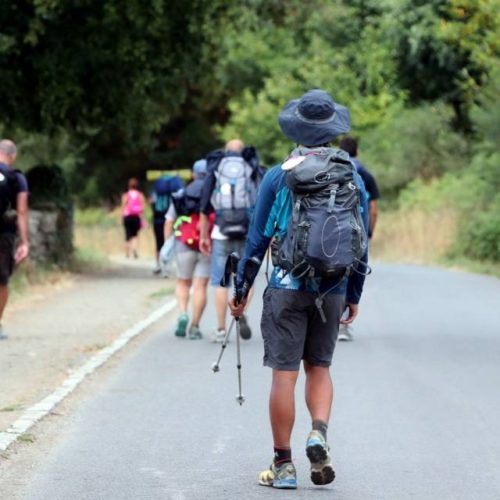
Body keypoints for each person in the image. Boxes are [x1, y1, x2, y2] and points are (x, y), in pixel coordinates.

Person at [228, 89, 369, 489]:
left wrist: (241, 289)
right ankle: (318, 434)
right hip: (334, 286)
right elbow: (360, 239)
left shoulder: (279, 174)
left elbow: (257, 239)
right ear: (331, 130)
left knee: (283, 375)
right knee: (319, 368)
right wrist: (353, 293)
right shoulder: (350, 174)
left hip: (286, 286)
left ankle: (284, 466)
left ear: (297, 128)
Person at [199, 139, 262, 343]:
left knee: (220, 281)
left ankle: (220, 329)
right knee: (247, 279)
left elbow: (204, 205)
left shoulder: (216, 167)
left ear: (226, 151)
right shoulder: (250, 167)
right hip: (246, 232)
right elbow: (260, 201)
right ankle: (240, 308)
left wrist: (203, 235)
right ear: (243, 151)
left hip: (221, 232)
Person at [338, 135, 380, 341]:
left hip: (331, 231)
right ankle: (343, 325)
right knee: (350, 271)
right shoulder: (364, 175)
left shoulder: (330, 169)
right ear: (357, 151)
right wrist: (369, 232)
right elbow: (373, 210)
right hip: (356, 230)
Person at [164, 160, 212, 339]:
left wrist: (167, 242)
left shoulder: (182, 193)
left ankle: (183, 313)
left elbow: (169, 220)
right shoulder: (212, 193)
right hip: (206, 243)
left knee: (183, 282)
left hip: (184, 242)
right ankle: (194, 326)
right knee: (200, 286)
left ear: (193, 174)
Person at [0, 139, 29, 340]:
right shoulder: (16, 178)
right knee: (2, 280)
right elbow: (22, 210)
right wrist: (25, 242)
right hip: (5, 234)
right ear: (13, 156)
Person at [150, 174, 184, 274]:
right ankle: (170, 266)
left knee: (159, 242)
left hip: (158, 219)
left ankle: (158, 264)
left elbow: (152, 202)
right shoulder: (176, 191)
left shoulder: (157, 190)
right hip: (174, 219)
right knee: (174, 242)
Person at [121, 177, 145, 259]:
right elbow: (142, 207)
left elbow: (123, 206)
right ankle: (134, 249)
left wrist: (122, 216)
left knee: (127, 235)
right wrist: (142, 218)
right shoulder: (140, 195)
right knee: (135, 235)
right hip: (136, 217)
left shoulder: (126, 195)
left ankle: (127, 253)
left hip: (127, 216)